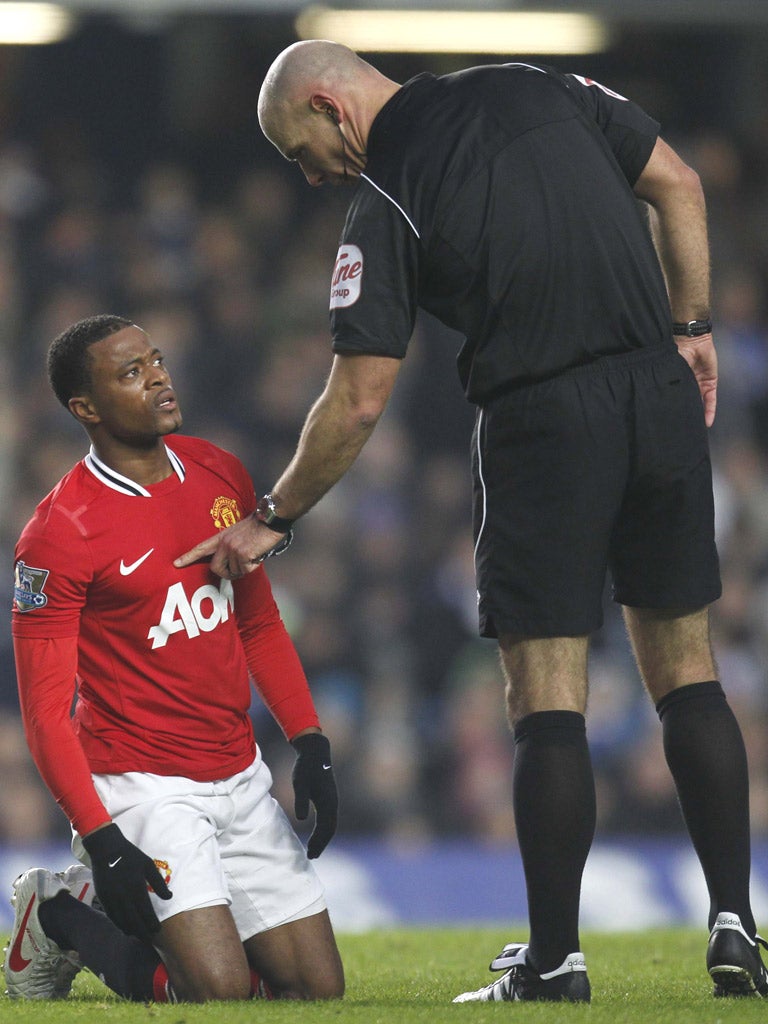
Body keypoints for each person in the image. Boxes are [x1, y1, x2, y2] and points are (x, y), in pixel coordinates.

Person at [175, 39, 767, 1003]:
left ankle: (554, 959)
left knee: (547, 697)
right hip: (657, 398)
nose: (313, 174)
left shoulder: (388, 194)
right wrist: (692, 326)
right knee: (687, 671)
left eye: (300, 151)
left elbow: (358, 400)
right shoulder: (536, 84)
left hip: (540, 421)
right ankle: (736, 924)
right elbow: (681, 184)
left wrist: (272, 516)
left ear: (329, 104)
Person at [4, 313, 345, 1003]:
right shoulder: (59, 533)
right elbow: (44, 711)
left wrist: (308, 739)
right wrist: (102, 836)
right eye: (131, 372)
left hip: (236, 770)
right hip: (140, 782)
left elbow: (257, 624)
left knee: (314, 990)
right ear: (86, 408)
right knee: (216, 993)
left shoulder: (220, 473)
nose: (158, 375)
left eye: (155, 360)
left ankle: (108, 911)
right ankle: (60, 916)